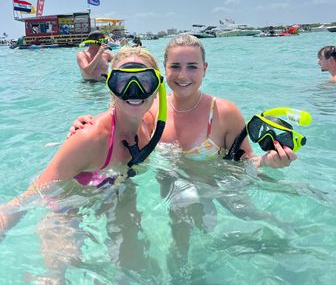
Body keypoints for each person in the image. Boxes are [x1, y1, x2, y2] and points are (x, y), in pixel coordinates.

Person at [0, 46, 166, 240]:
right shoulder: (91, 138)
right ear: (111, 88)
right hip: (66, 210)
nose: (134, 92)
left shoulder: (151, 122)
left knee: (135, 260)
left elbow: (183, 99)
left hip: (114, 192)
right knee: (57, 269)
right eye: (122, 82)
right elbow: (29, 197)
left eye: (145, 81)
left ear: (157, 88)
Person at [70, 34, 296, 168]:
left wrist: (268, 163)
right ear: (165, 71)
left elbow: (245, 162)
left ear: (205, 69)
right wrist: (85, 125)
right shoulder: (152, 110)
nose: (183, 76)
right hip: (167, 198)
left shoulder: (223, 113)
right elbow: (118, 123)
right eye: (175, 67)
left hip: (216, 195)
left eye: (192, 67)